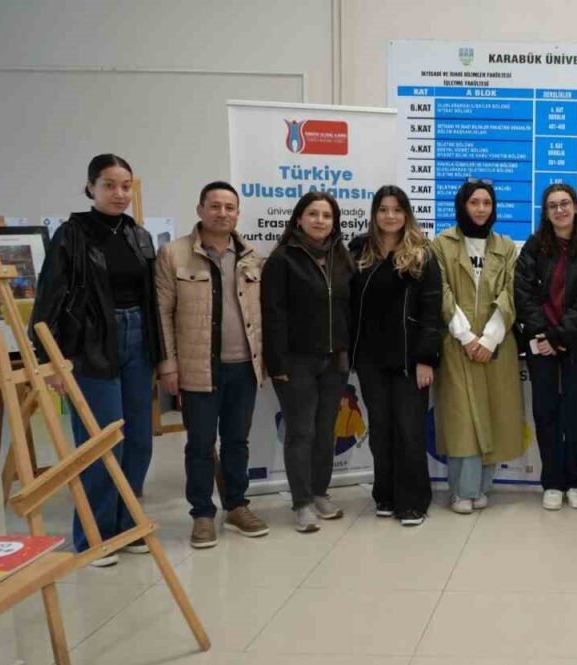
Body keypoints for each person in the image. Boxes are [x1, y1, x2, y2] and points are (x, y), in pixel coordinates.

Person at [31, 153, 163, 567]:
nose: (119, 193)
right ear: (91, 188)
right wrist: (51, 359)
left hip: (138, 339)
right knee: (100, 442)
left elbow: (151, 299)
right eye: (109, 185)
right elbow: (49, 297)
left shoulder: (138, 235)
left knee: (138, 440)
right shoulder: (71, 234)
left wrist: (159, 354)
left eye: (125, 186)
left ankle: (127, 525)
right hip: (91, 345)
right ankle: (93, 535)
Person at [155, 181, 268, 549]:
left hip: (244, 367)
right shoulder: (174, 254)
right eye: (215, 206)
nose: (222, 213)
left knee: (237, 441)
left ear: (237, 213)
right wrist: (168, 365)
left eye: (229, 207)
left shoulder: (250, 255)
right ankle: (202, 514)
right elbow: (162, 313)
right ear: (200, 210)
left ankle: (236, 506)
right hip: (198, 369)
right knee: (200, 444)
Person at [261, 191, 355, 533]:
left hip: (335, 361)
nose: (320, 221)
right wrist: (277, 364)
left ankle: (319, 493)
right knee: (301, 432)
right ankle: (301, 503)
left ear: (335, 222)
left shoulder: (342, 257)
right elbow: (273, 315)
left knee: (326, 431)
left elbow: (349, 309)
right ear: (299, 219)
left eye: (327, 215)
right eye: (313, 214)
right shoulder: (282, 259)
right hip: (296, 362)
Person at [348, 186, 442, 526]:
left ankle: (413, 501)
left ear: (407, 214)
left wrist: (426, 358)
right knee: (381, 430)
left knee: (409, 430)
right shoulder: (359, 251)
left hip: (409, 360)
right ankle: (385, 495)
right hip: (370, 359)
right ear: (375, 214)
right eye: (383, 209)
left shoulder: (422, 253)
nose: (390, 216)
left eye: (397, 209)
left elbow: (432, 308)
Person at [432, 179, 525, 513]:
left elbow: (512, 292)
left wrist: (488, 338)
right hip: (457, 344)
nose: (481, 209)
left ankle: (483, 487)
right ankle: (462, 491)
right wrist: (467, 337)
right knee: (462, 419)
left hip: (496, 346)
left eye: (487, 203)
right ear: (462, 205)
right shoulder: (441, 244)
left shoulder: (506, 246)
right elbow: (441, 291)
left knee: (494, 414)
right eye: (474, 202)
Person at [515, 182, 577, 511]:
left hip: (574, 344)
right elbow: (523, 293)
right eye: (553, 205)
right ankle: (552, 482)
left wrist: (559, 337)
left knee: (576, 412)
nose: (560, 210)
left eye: (565, 203)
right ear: (546, 212)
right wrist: (543, 336)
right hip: (540, 344)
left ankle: (573, 480)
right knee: (545, 411)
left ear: (576, 207)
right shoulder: (534, 246)